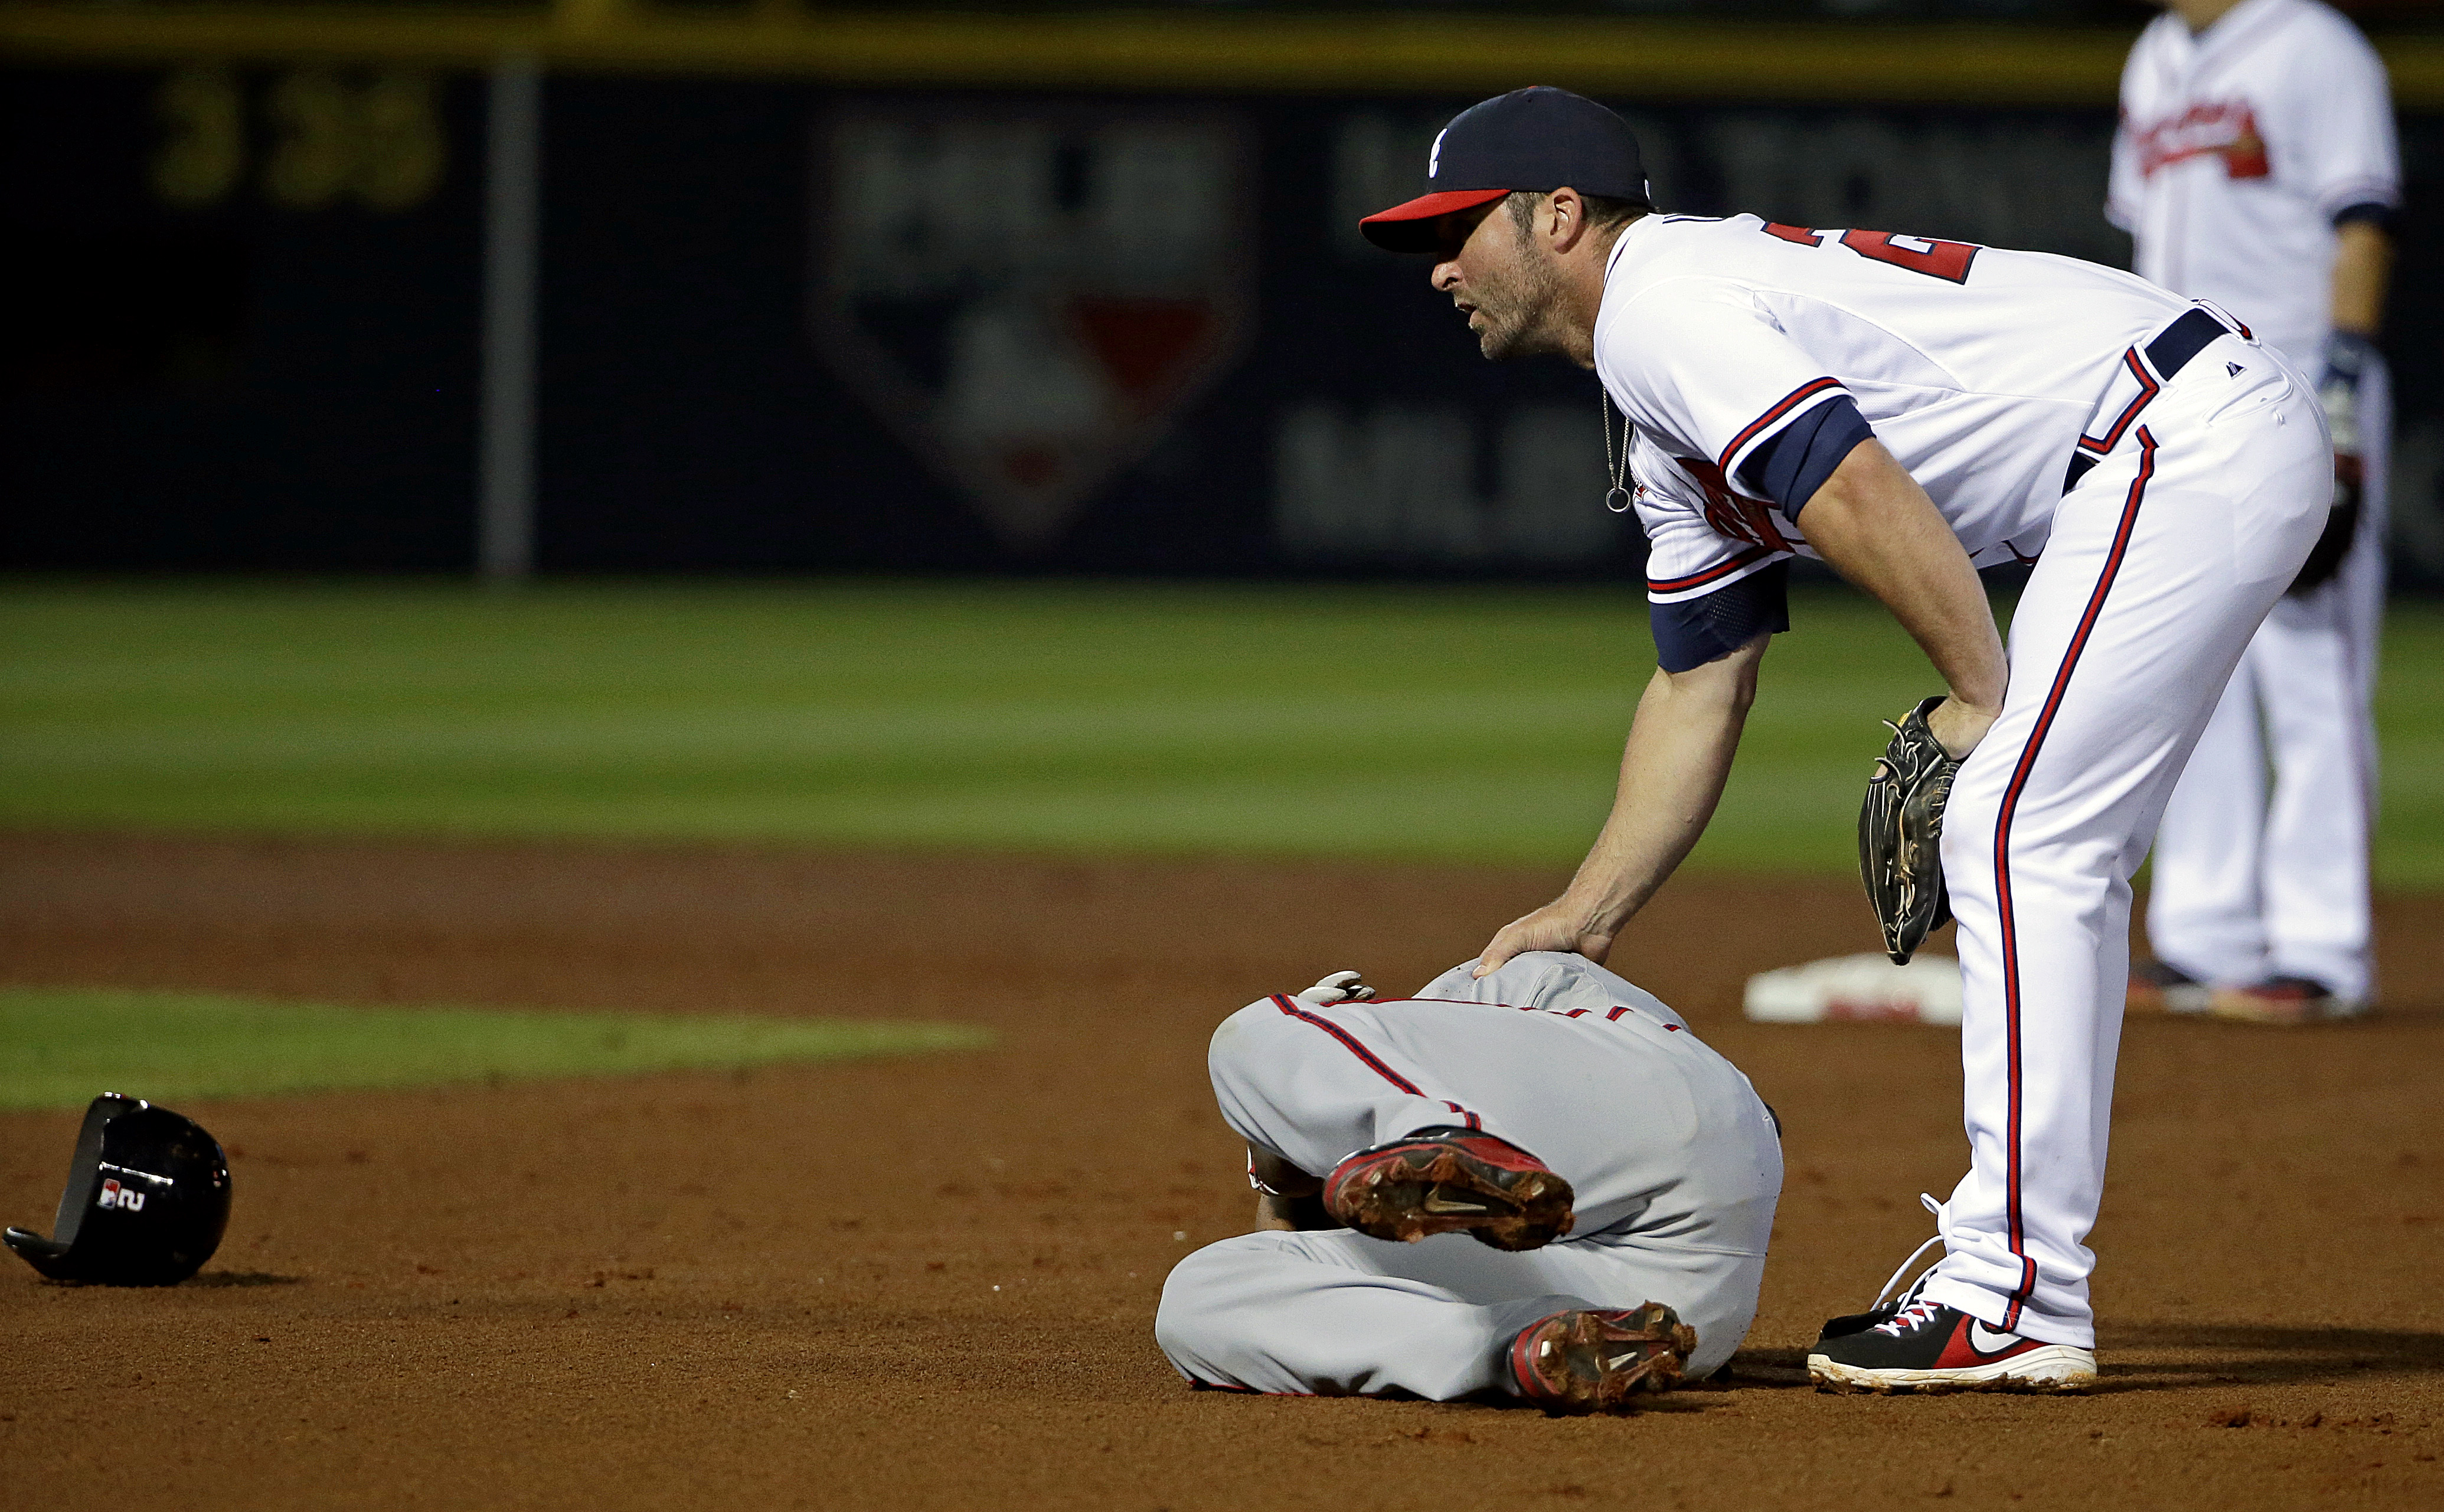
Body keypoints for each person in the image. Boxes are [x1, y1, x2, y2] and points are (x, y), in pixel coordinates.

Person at [1357, 86, 2331, 1392]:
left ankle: (2016, 1293)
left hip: (2176, 438)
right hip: (2165, 444)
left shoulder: (1663, 304)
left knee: (2015, 831)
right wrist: (1586, 912)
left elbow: (1855, 487)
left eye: (1463, 227)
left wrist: (1981, 695)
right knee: (2028, 833)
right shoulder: (1656, 410)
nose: (1439, 264)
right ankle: (2014, 1278)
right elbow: (1703, 681)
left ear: (1562, 218)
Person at [2112, 0, 2399, 1024]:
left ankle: (2324, 945)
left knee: (2313, 660)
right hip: (2182, 395)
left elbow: (2362, 220)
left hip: (2297, 380)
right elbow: (2142, 244)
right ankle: (2205, 931)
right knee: (2196, 656)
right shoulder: (2154, 58)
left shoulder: (2311, 43)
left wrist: (2343, 391)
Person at [1153, 953, 1782, 1413]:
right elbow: (1305, 1231)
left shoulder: (1480, 989)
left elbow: (1307, 1191)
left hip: (1661, 1104)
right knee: (1199, 1298)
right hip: (1681, 1310)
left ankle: (1432, 1131)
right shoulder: (1417, 1083)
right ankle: (1513, 1352)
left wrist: (1283, 1158)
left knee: (1258, 1038)